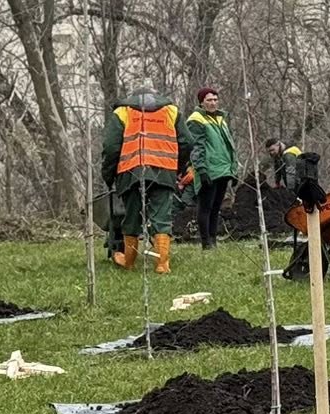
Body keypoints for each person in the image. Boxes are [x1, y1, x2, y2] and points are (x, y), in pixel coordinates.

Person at [100, 88, 191, 274]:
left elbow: (110, 147)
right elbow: (187, 142)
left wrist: (108, 175)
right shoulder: (171, 111)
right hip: (164, 169)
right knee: (162, 216)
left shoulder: (123, 112)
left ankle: (129, 262)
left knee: (131, 216)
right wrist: (178, 166)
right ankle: (162, 265)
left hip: (130, 170)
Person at [184, 87, 239, 251]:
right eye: (209, 100)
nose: (213, 103)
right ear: (201, 102)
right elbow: (196, 147)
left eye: (215, 99)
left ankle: (214, 240)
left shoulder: (220, 119)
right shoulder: (196, 120)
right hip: (208, 170)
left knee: (216, 207)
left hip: (223, 169)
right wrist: (201, 169)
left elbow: (229, 146)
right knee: (205, 207)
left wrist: (233, 169)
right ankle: (206, 243)